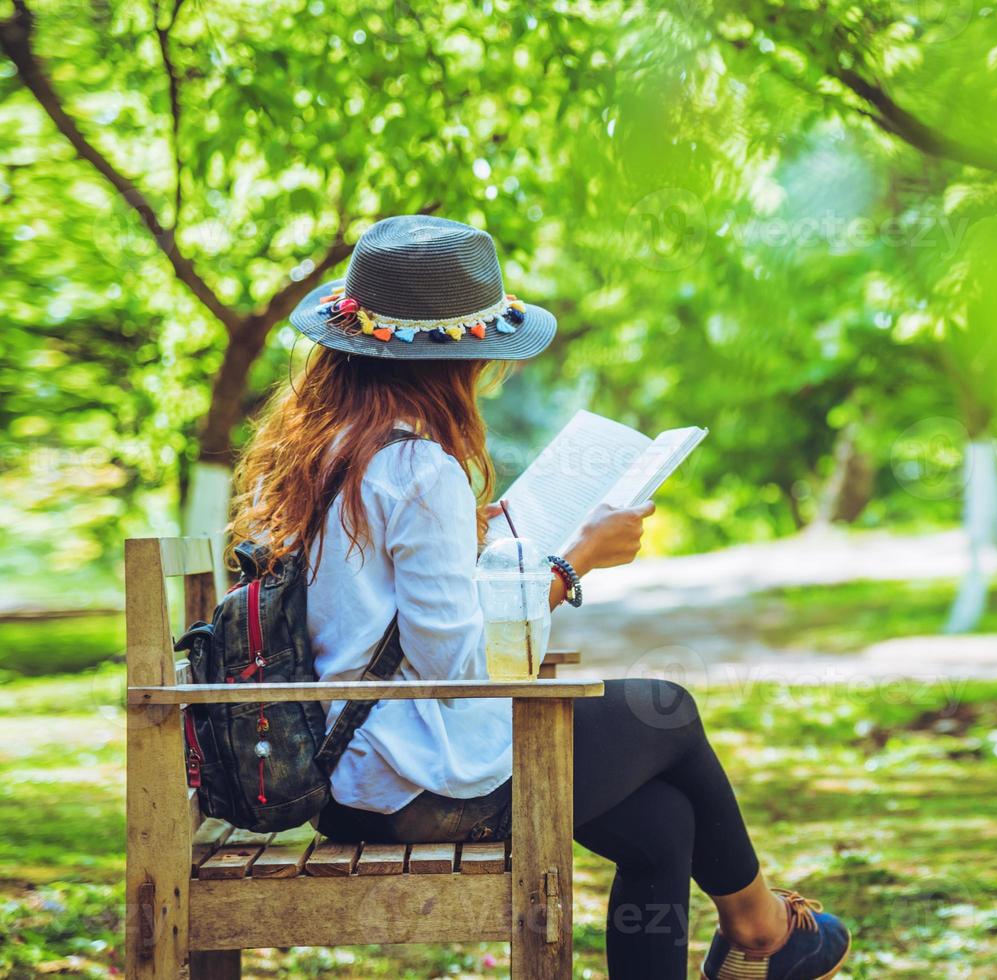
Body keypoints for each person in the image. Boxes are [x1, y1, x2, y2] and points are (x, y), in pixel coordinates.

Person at [228, 215, 851, 980]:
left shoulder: (326, 452)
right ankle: (762, 930)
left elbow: (376, 608)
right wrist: (573, 564)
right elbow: (454, 664)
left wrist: (466, 546)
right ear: (457, 357)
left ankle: (758, 939)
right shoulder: (420, 468)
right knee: (669, 708)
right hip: (408, 786)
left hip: (352, 774)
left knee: (662, 825)